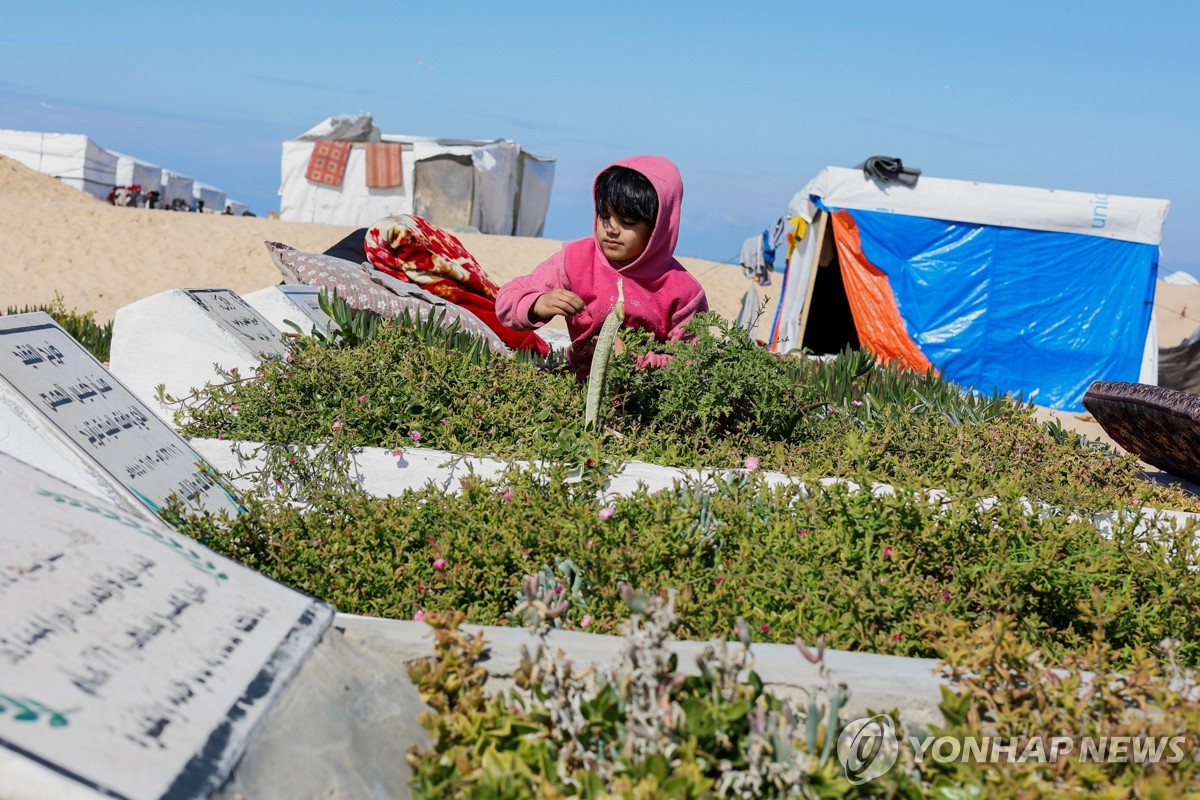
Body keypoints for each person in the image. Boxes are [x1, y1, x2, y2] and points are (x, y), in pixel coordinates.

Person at [495, 155, 707, 373]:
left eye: (628, 222)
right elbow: (506, 300)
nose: (612, 229)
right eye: (605, 216)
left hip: (645, 396)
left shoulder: (684, 292)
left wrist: (636, 362)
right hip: (579, 380)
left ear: (659, 226)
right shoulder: (576, 259)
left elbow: (691, 362)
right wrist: (537, 303)